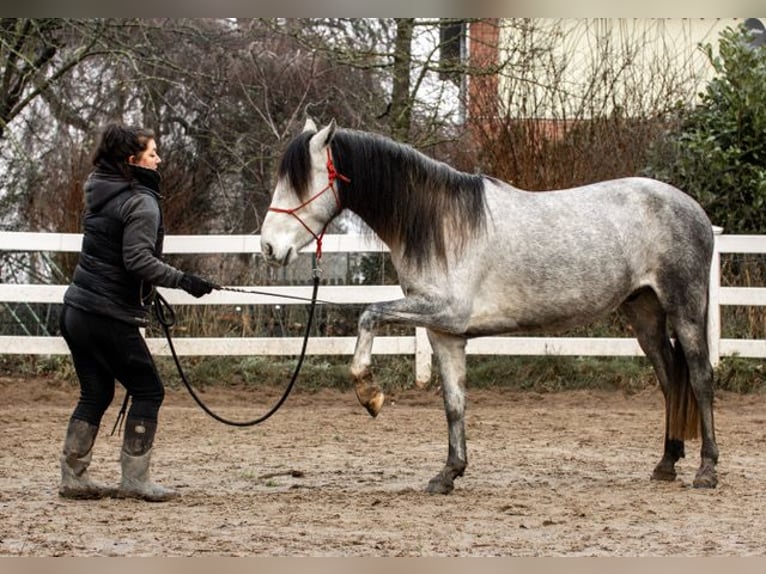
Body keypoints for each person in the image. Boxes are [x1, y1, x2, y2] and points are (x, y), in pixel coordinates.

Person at [58, 123, 217, 502]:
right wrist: (185, 280)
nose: (159, 158)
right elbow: (138, 260)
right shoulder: (140, 200)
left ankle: (73, 476)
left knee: (95, 392)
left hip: (76, 310)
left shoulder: (100, 190)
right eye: (152, 153)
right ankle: (135, 480)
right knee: (149, 390)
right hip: (107, 315)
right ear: (133, 160)